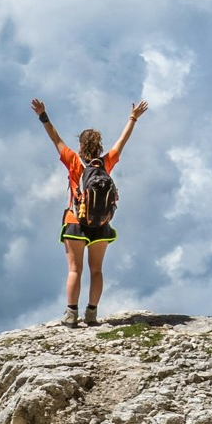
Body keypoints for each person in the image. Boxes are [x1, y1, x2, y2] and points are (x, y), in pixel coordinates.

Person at [30, 96, 149, 326]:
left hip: (75, 221)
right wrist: (133, 118)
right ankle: (92, 314)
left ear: (81, 146)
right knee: (97, 271)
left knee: (75, 270)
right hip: (101, 224)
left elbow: (55, 138)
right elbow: (122, 142)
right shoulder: (106, 163)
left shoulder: (73, 161)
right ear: (99, 147)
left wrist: (43, 115)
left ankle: (71, 314)